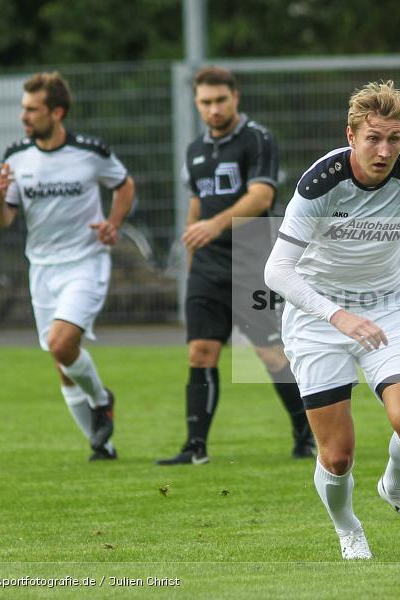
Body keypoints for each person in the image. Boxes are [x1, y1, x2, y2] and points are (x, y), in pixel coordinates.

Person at [264, 80, 400, 560]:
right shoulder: (320, 184)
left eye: (394, 138)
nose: (385, 150)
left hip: (385, 308)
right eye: (373, 138)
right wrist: (337, 316)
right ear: (351, 136)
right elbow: (276, 271)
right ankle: (348, 527)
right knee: (337, 455)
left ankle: (395, 487)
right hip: (317, 316)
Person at [156, 66, 315, 466]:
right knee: (200, 352)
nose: (213, 109)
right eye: (205, 102)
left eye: (220, 100)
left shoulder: (257, 139)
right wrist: (192, 257)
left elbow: (261, 197)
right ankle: (195, 447)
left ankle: (307, 436)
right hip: (207, 268)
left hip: (253, 264)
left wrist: (212, 225)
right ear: (196, 103)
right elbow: (196, 206)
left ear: (235, 98)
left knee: (271, 354)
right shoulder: (195, 150)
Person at [0, 72, 135, 461]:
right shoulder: (16, 157)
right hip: (42, 268)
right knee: (62, 361)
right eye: (23, 109)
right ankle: (101, 446)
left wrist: (113, 223)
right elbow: (2, 220)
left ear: (56, 112)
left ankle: (101, 400)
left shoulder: (90, 152)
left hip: (85, 262)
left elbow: (124, 185)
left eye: (32, 109)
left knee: (61, 343)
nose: (23, 117)